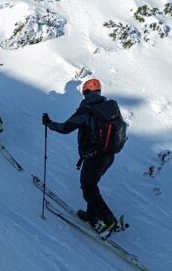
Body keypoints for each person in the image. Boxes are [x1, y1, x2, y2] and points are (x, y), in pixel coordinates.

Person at [41, 79, 120, 234]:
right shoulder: (108, 107)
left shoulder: (87, 110)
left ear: (85, 93)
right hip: (108, 154)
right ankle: (92, 215)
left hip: (95, 155)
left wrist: (49, 124)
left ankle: (109, 220)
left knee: (88, 187)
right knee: (92, 184)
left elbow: (66, 128)